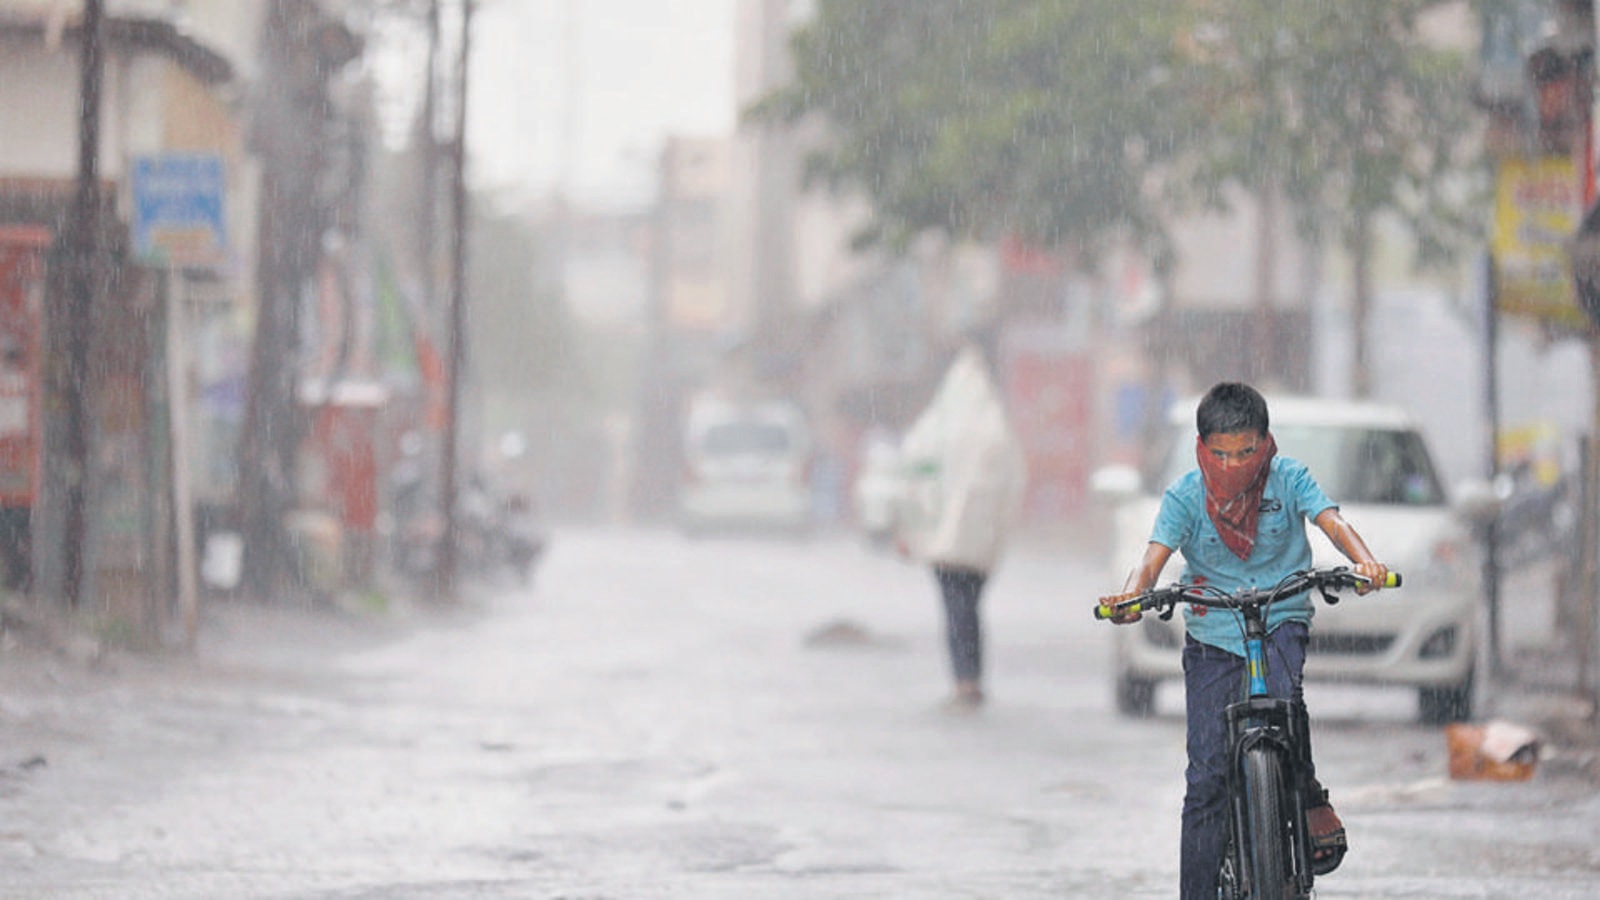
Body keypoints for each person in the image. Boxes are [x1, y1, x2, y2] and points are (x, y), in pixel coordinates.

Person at [1095, 382, 1389, 898]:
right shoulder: (1185, 496)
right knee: (1207, 778)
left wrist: (1364, 561)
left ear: (1266, 442)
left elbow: (1331, 521)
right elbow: (1152, 558)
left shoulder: (1290, 478)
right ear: (1202, 448)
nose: (1234, 465)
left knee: (1286, 704)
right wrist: (1130, 597)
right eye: (1222, 453)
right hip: (1212, 635)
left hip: (1282, 619)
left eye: (1247, 452)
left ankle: (1305, 789)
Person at [894, 341, 1028, 711]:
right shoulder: (995, 433)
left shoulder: (935, 431)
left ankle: (964, 679)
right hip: (980, 543)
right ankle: (972, 677)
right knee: (970, 607)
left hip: (942, 542)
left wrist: (911, 529)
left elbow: (912, 479)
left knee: (955, 609)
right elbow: (1014, 483)